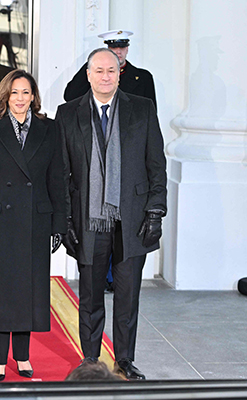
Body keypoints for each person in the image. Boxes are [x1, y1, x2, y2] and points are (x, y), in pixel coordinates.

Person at [56, 48, 167, 380]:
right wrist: (67, 221)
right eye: (98, 71)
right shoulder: (67, 114)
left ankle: (125, 361)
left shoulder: (142, 109)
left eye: (111, 70)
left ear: (120, 73)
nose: (105, 76)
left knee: (128, 294)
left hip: (132, 217)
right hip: (88, 219)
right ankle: (90, 359)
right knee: (90, 294)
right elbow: (61, 173)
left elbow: (156, 165)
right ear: (87, 75)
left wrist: (155, 212)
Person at [0, 70, 66, 381]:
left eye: (26, 93)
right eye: (15, 93)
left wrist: (59, 223)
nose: (20, 99)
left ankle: (22, 357)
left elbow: (57, 179)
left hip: (34, 220)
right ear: (5, 96)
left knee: (27, 291)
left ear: (34, 96)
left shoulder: (50, 129)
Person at [63, 30, 157, 109]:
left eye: (122, 47)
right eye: (114, 47)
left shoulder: (143, 77)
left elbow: (151, 114)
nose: (118, 51)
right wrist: (92, 65)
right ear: (108, 49)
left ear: (127, 49)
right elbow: (70, 96)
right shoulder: (94, 72)